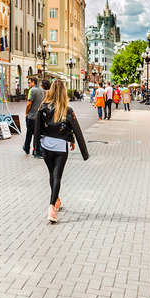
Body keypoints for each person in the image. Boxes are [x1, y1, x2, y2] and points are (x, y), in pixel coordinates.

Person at [35, 80, 89, 224]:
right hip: (60, 147)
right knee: (57, 176)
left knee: (52, 174)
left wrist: (36, 147)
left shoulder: (43, 107)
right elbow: (75, 129)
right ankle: (51, 207)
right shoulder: (67, 109)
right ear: (64, 92)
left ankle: (56, 200)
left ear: (51, 91)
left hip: (46, 146)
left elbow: (37, 128)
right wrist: (77, 145)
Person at [23, 76, 46, 158]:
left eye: (29, 83)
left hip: (32, 116)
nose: (28, 85)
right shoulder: (42, 90)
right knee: (38, 134)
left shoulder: (32, 90)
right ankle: (37, 150)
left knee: (29, 132)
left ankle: (26, 148)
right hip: (39, 117)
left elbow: (29, 103)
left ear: (33, 82)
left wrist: (26, 112)